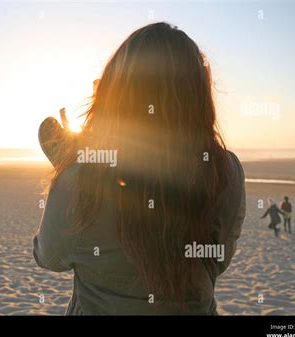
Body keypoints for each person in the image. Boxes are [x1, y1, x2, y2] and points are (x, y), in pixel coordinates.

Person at [33, 22, 246, 315]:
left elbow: (49, 256)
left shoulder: (76, 183)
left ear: (112, 93)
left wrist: (73, 173)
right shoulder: (228, 172)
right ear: (199, 97)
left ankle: (82, 151)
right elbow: (217, 260)